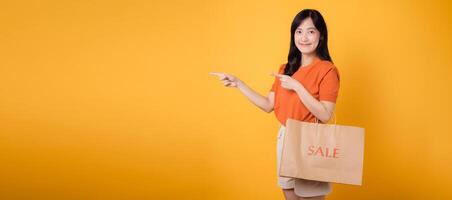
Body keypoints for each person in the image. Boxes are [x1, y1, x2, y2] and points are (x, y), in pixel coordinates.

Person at [209, 9, 340, 200]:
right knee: (290, 196)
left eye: (311, 31)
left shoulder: (328, 70)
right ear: (293, 35)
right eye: (299, 31)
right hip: (286, 137)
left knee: (310, 197)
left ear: (321, 36)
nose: (304, 37)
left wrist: (297, 86)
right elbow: (268, 104)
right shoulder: (286, 69)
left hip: (311, 141)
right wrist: (238, 83)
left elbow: (325, 114)